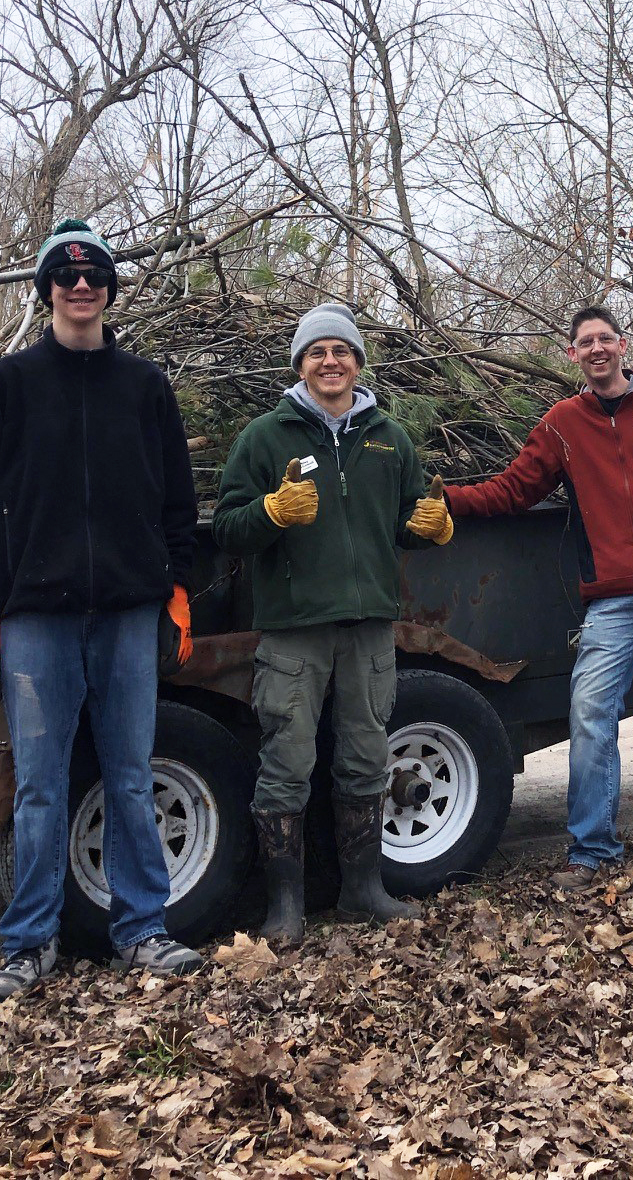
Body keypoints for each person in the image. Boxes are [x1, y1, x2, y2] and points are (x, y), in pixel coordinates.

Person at [0, 218, 204, 1007]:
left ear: (109, 287)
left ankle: (143, 931)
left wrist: (178, 584)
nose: (81, 285)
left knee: (131, 778)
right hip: (36, 619)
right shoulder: (10, 386)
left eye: (94, 273)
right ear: (47, 291)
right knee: (39, 786)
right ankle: (29, 945)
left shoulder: (144, 386)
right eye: (66, 277)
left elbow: (177, 499)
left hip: (130, 612)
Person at [444, 305, 633, 889]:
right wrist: (448, 501)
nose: (597, 348)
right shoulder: (562, 425)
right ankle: (593, 847)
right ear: (573, 355)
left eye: (606, 338)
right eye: (586, 342)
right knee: (591, 715)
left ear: (623, 346)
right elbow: (514, 489)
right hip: (612, 599)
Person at [213, 302, 453, 945]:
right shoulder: (266, 438)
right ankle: (285, 906)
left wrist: (431, 529)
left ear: (358, 362)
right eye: (316, 352)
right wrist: (270, 510)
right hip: (295, 627)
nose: (330, 361)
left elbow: (406, 520)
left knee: (367, 756)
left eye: (341, 350)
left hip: (370, 625)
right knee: (286, 760)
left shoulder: (389, 438)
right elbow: (228, 527)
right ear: (300, 364)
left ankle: (363, 888)